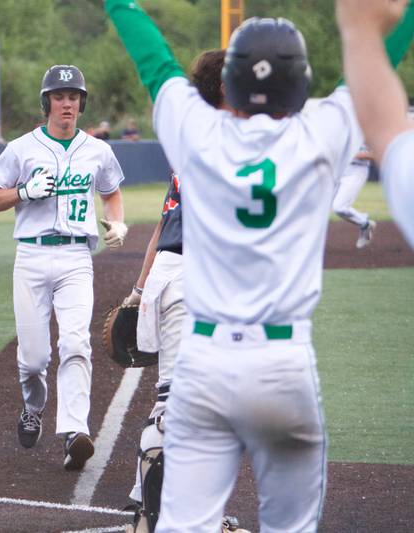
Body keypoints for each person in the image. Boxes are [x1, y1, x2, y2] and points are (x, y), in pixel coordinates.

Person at [106, 0, 414, 530]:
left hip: (205, 362)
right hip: (284, 365)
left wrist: (119, 3)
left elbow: (154, 61)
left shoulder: (197, 132)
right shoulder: (322, 132)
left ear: (230, 82)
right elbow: (379, 57)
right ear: (301, 83)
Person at [121, 49, 245, 533]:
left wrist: (138, 289)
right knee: (180, 408)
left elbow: (162, 225)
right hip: (193, 279)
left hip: (176, 276)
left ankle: (145, 505)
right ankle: (154, 517)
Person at [0, 64, 128, 471]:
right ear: (47, 102)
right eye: (60, 96)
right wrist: (24, 192)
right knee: (32, 360)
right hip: (30, 257)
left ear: (82, 103)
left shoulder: (98, 150)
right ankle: (34, 407)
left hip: (76, 259)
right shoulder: (21, 148)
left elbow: (111, 193)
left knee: (76, 344)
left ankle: (74, 431)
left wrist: (116, 221)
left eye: (74, 96)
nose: (67, 103)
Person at [337, 0, 414, 249]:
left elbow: (380, 133)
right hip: (344, 167)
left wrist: (361, 29)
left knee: (338, 206)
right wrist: (362, 30)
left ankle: (365, 223)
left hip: (355, 168)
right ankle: (364, 225)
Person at [332, 146, 376, 248]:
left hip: (357, 170)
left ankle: (365, 223)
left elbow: (374, 155)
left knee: (339, 207)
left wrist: (349, 154)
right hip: (339, 170)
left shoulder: (366, 133)